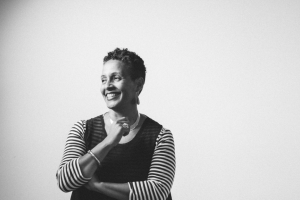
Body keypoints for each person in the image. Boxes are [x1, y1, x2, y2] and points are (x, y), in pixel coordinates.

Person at [56, 48, 176, 200]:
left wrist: (99, 186)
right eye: (103, 80)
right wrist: (109, 141)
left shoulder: (160, 136)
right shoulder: (83, 129)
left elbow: (157, 192)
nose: (107, 86)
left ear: (138, 85)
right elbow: (64, 181)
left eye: (116, 78)